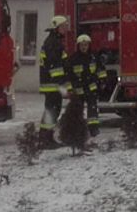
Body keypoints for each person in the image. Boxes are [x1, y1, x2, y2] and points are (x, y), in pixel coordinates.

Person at [38, 15, 70, 148]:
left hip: (52, 84)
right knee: (52, 111)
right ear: (57, 28)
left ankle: (46, 138)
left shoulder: (53, 41)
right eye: (63, 26)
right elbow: (56, 68)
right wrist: (63, 86)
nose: (66, 28)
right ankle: (45, 139)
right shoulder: (53, 43)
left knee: (52, 110)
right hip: (52, 85)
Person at [67, 33, 107, 138]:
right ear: (78, 46)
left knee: (92, 109)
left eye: (86, 45)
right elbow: (68, 76)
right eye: (82, 45)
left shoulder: (93, 57)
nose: (84, 47)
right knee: (78, 110)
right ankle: (78, 129)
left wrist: (102, 81)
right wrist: (70, 89)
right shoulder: (73, 59)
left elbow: (101, 70)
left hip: (91, 88)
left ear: (89, 45)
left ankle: (93, 129)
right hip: (79, 89)